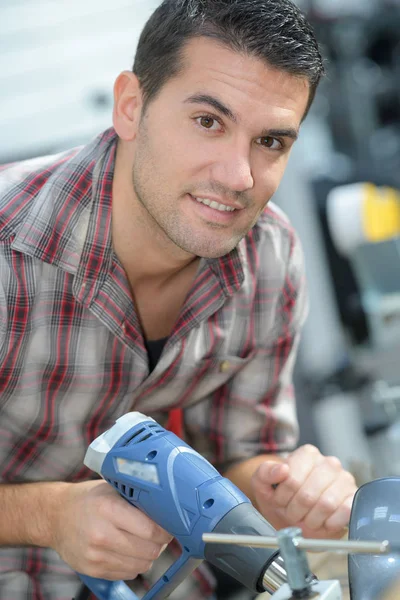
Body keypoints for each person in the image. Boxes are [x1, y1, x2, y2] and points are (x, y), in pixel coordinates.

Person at [0, 0, 357, 598]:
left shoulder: (269, 257)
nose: (239, 176)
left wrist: (288, 491)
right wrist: (49, 517)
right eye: (209, 122)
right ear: (131, 106)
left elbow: (239, 455)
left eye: (269, 140)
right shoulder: (10, 247)